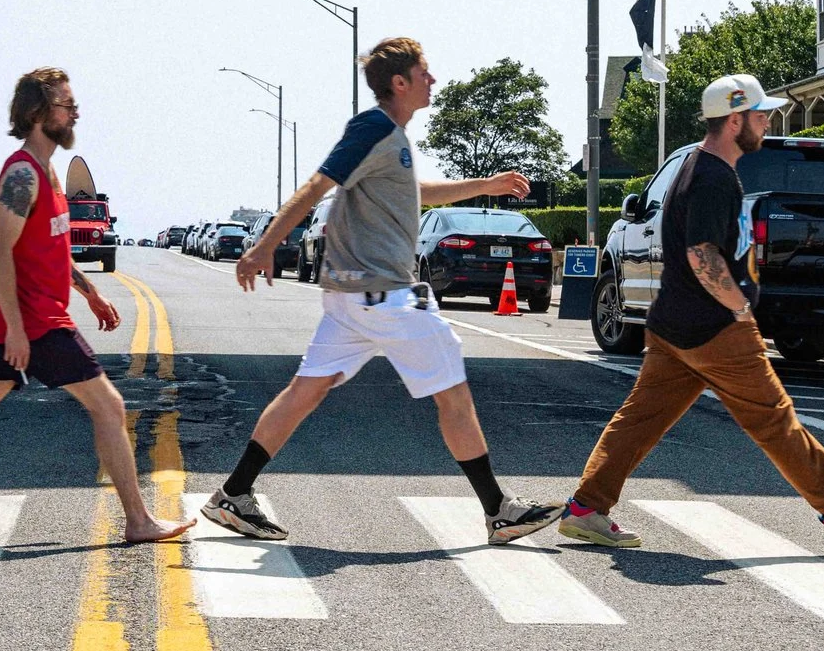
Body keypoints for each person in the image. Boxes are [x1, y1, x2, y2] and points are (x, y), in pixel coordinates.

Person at [203, 36, 564, 544]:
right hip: (384, 297)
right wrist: (264, 245)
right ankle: (500, 511)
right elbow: (316, 186)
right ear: (400, 83)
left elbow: (412, 193)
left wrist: (485, 184)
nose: (432, 81)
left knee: (305, 391)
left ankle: (232, 495)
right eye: (424, 73)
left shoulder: (391, 137)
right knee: (454, 393)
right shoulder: (373, 128)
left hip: (354, 300)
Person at [553, 73, 824, 550]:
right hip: (715, 327)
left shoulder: (698, 167)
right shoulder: (714, 176)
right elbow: (702, 254)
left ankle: (587, 508)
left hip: (674, 326)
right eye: (760, 114)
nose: (767, 121)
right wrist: (739, 309)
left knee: (639, 421)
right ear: (735, 119)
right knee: (774, 419)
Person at [0, 68, 193, 545]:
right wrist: (17, 329)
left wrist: (90, 292)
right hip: (37, 323)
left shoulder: (49, 173)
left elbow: (51, 248)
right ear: (37, 114)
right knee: (109, 405)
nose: (75, 112)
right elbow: (0, 251)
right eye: (66, 104)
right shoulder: (23, 173)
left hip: (39, 317)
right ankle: (139, 520)